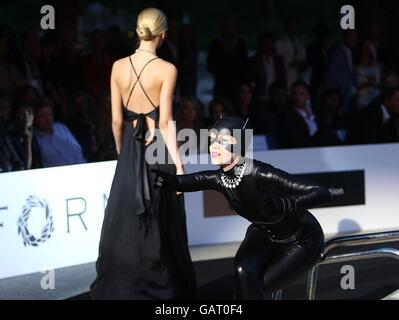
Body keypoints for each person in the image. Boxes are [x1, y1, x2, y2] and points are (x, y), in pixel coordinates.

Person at [153, 116, 331, 299]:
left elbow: (322, 193)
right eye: (212, 140)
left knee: (257, 286)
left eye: (222, 141)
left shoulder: (259, 172)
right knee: (242, 272)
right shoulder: (219, 178)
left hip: (302, 239)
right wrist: (166, 180)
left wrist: (285, 203)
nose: (213, 146)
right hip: (264, 233)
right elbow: (188, 182)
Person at [90, 8, 196, 300]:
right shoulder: (167, 69)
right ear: (162, 34)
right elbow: (165, 123)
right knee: (160, 218)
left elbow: (115, 120)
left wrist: (124, 152)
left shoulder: (117, 66)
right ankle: (161, 287)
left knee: (126, 221)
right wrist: (180, 167)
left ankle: (126, 287)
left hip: (130, 151)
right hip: (158, 148)